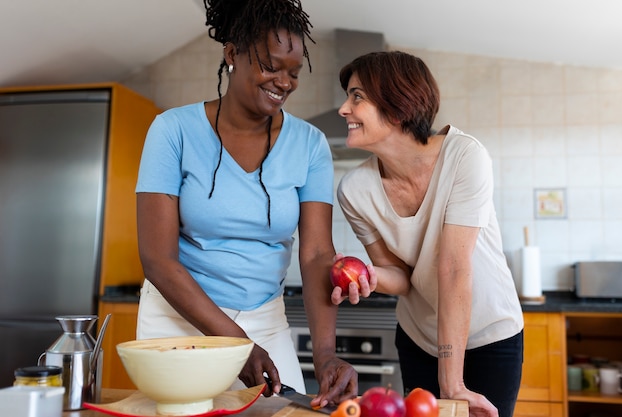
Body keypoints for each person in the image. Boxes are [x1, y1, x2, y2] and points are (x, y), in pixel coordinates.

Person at [134, 0, 357, 408]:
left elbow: (316, 253)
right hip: (179, 320)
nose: (285, 82)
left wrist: (325, 355)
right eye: (272, 67)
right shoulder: (172, 131)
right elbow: (158, 259)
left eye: (293, 72)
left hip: (264, 323)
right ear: (232, 54)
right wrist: (236, 344)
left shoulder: (309, 144)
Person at [331, 51, 524, 417]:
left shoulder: (465, 156)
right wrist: (370, 277)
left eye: (357, 96)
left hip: (489, 335)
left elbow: (453, 267)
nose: (343, 108)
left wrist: (452, 385)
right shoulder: (354, 190)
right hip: (418, 338)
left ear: (398, 104)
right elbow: (401, 279)